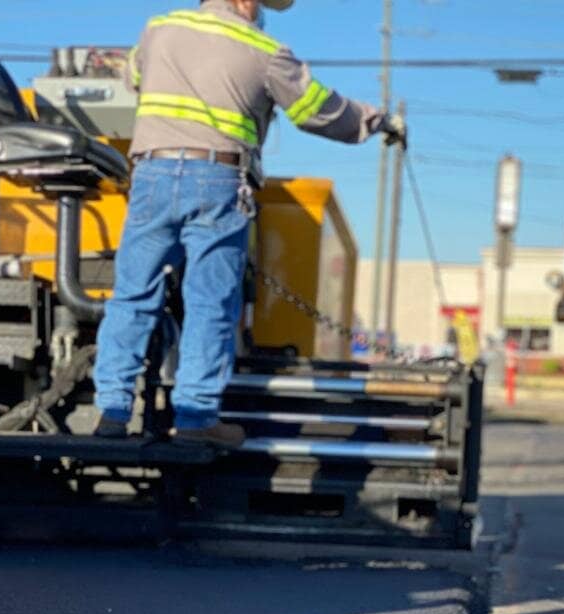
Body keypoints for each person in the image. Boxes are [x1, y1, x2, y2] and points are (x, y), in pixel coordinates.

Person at [93, 0, 406, 447]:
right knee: (210, 303)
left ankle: (112, 409)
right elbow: (320, 110)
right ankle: (196, 419)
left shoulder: (159, 28)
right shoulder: (264, 49)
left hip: (151, 175)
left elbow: (134, 76)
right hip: (218, 178)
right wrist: (378, 121)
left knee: (132, 295)